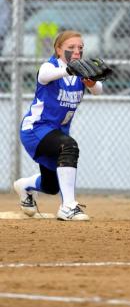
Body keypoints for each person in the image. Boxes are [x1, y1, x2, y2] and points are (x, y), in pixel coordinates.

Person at [14, 30, 104, 221]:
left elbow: (98, 90)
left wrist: (90, 80)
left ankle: (24, 186)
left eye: (80, 48)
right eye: (71, 48)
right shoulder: (51, 66)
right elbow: (45, 75)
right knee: (69, 146)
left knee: (51, 186)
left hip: (56, 132)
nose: (77, 51)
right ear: (58, 49)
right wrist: (71, 69)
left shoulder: (80, 74)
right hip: (35, 129)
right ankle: (68, 207)